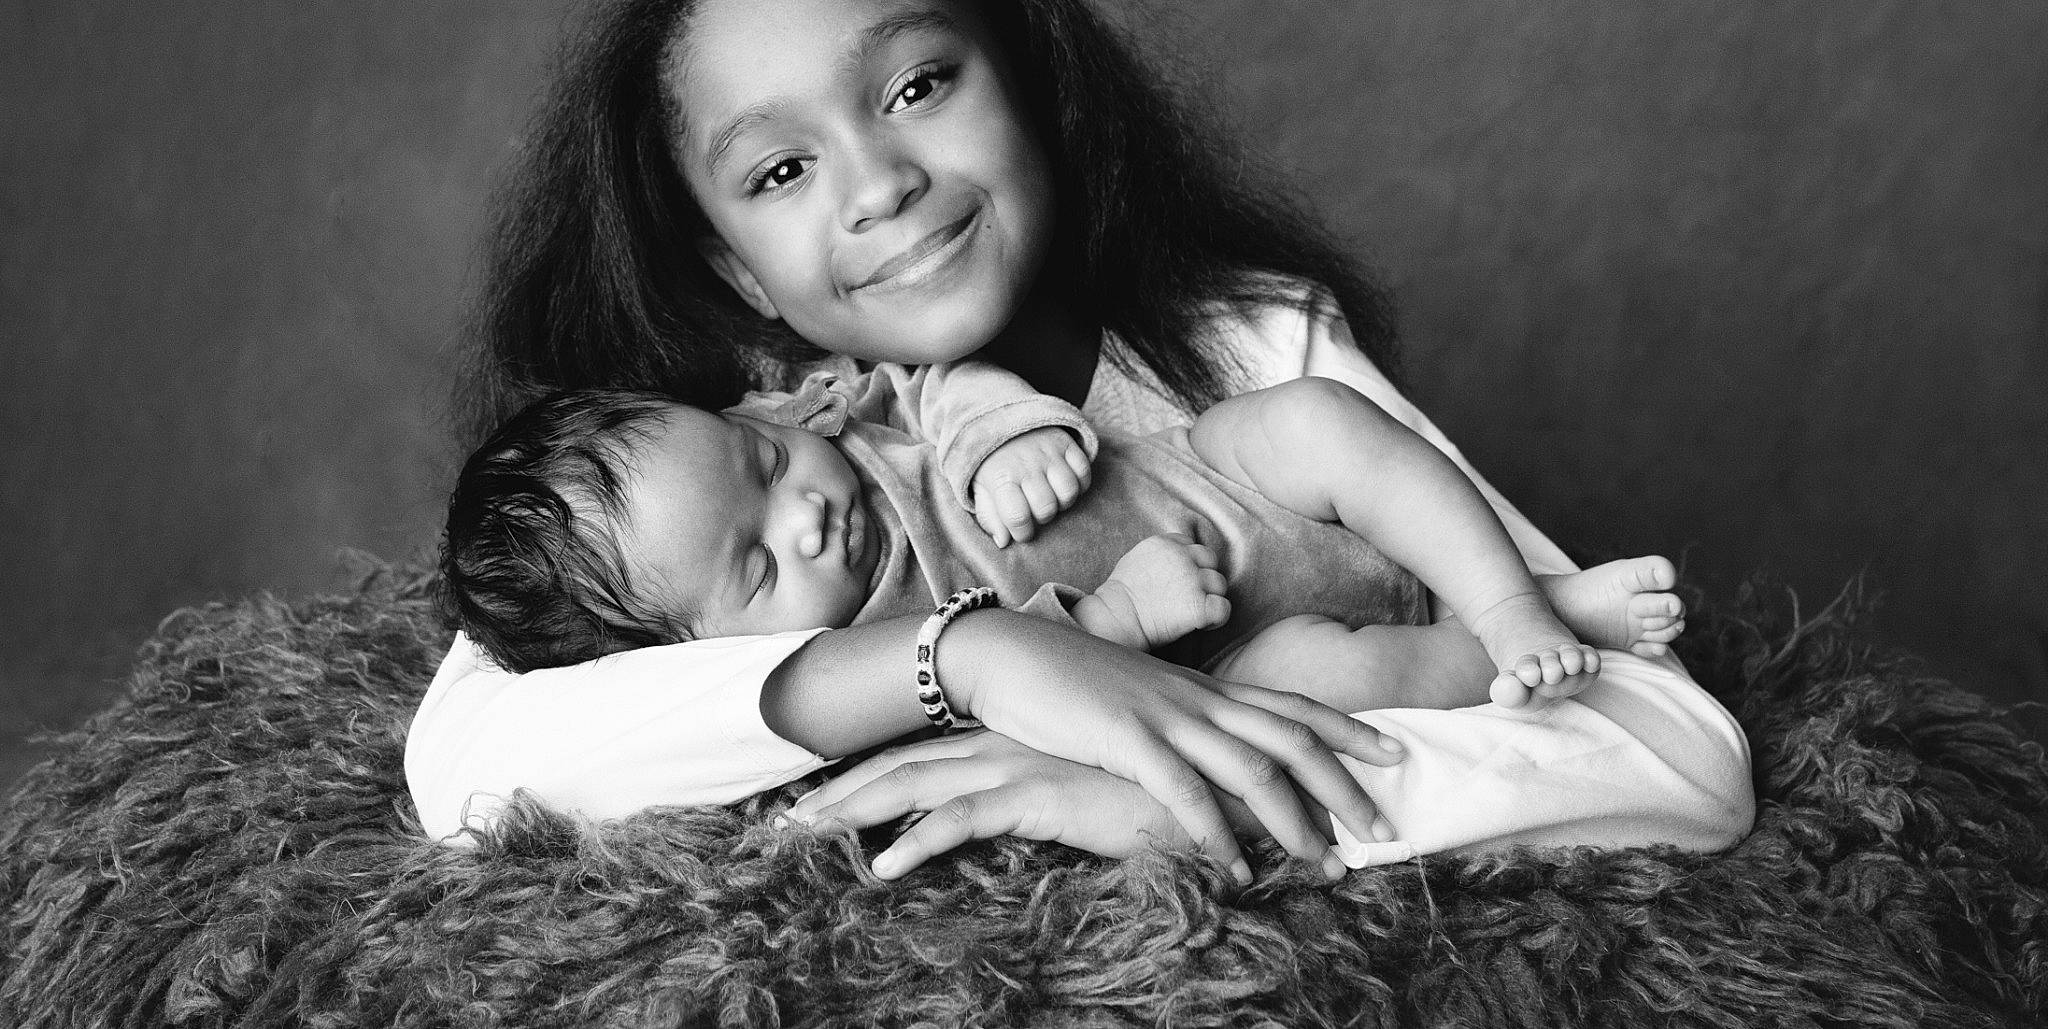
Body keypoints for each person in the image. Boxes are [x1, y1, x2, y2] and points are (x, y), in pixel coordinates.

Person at [406, 0, 1752, 881]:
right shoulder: (688, 455)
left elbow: (1681, 760)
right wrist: (968, 657)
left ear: (1035, 87)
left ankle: (1536, 602)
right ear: (741, 275)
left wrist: (1181, 793)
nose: (879, 186)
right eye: (782, 169)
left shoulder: (1248, 345)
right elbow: (464, 766)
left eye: (918, 86)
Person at [438, 364, 1687, 719]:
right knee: (1329, 678)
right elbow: (997, 693)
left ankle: (1518, 598)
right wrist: (1117, 623)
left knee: (1308, 420)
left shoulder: (848, 415)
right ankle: (1517, 644)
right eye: (758, 563)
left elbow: (939, 387)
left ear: (765, 411)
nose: (807, 509)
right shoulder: (870, 651)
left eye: (763, 467)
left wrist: (1002, 437)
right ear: (700, 656)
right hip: (1239, 645)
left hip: (1218, 477)